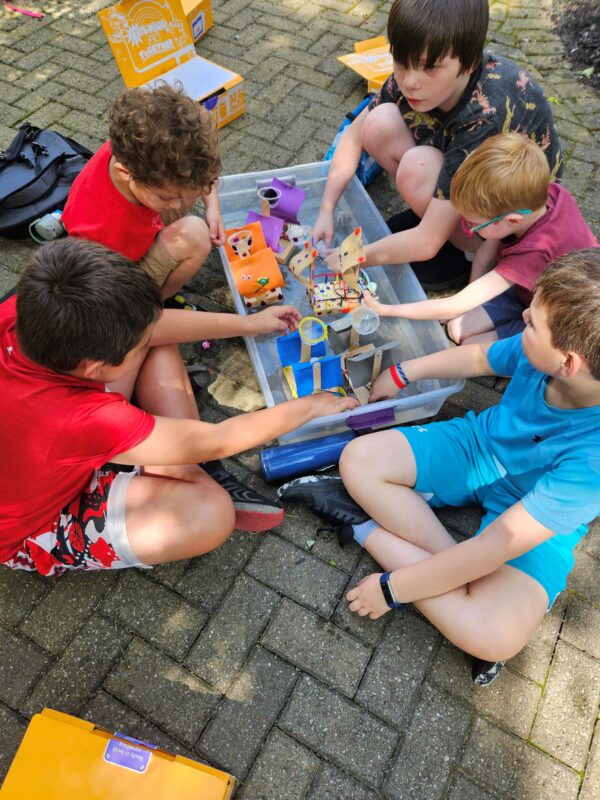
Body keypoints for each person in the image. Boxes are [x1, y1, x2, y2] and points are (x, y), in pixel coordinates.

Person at [279, 248, 600, 685]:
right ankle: (456, 578)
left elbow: (498, 546)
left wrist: (395, 589)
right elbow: (480, 359)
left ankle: (364, 527)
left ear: (568, 364)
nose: (522, 316)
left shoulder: (593, 460)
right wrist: (403, 372)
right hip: (480, 447)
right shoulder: (541, 353)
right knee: (360, 458)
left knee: (496, 638)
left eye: (532, 322)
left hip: (532, 518)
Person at [0, 239, 356, 577]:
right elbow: (217, 439)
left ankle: (165, 455)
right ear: (94, 370)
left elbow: (153, 330)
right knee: (212, 514)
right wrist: (311, 406)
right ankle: (181, 464)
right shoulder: (80, 418)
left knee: (154, 341)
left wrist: (247, 324)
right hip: (32, 526)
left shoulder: (25, 310)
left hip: (44, 449)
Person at [313, 0, 562, 291]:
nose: (410, 82)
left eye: (430, 68)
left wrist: (353, 257)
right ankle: (438, 217)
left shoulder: (483, 115)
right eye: (401, 63)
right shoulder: (417, 70)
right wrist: (326, 209)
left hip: (502, 227)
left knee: (417, 168)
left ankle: (464, 247)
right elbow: (354, 136)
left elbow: (427, 244)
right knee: (377, 122)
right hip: (464, 174)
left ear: (468, 64)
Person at [364, 133, 597, 344]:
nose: (467, 229)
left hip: (557, 322)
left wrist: (385, 310)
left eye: (473, 224)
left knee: (468, 342)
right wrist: (471, 298)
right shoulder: (544, 195)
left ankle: (540, 367)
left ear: (512, 220)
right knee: (457, 327)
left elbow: (452, 306)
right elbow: (486, 253)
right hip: (532, 290)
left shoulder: (533, 253)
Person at [63, 83, 224, 309]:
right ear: (125, 173)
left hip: (134, 234)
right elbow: (104, 297)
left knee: (185, 195)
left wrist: (213, 206)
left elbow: (201, 169)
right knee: (196, 235)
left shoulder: (142, 149)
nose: (180, 204)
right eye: (167, 198)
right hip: (120, 277)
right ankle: (155, 304)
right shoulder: (99, 233)